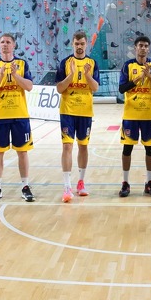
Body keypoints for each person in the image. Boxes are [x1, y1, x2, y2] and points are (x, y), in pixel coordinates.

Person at [0, 33, 36, 202]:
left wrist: (16, 75)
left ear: (14, 45)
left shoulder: (22, 64)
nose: (5, 44)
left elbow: (29, 87)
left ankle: (25, 186)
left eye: (8, 42)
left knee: (22, 152)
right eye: (2, 42)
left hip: (20, 115)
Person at [117, 36, 151, 197]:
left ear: (149, 49)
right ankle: (125, 182)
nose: (143, 48)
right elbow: (121, 89)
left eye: (145, 46)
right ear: (135, 48)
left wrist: (150, 76)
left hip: (149, 115)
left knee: (150, 149)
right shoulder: (128, 66)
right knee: (127, 148)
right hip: (130, 114)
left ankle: (149, 182)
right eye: (140, 45)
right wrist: (138, 79)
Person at [55, 30, 99, 202]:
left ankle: (81, 182)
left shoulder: (92, 63)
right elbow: (59, 89)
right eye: (76, 43)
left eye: (82, 43)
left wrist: (87, 75)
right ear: (72, 44)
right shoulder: (65, 63)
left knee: (83, 146)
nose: (79, 46)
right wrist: (71, 75)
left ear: (86, 44)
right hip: (68, 111)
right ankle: (67, 186)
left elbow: (95, 88)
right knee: (67, 146)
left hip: (85, 111)